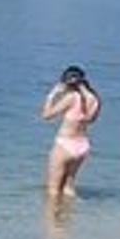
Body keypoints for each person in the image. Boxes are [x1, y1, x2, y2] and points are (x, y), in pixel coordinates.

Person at [40, 64, 101, 198]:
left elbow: (46, 115)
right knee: (68, 187)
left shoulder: (72, 97)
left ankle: (51, 218)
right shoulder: (95, 99)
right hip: (82, 145)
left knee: (53, 191)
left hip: (65, 144)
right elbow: (90, 120)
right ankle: (70, 216)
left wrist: (52, 95)